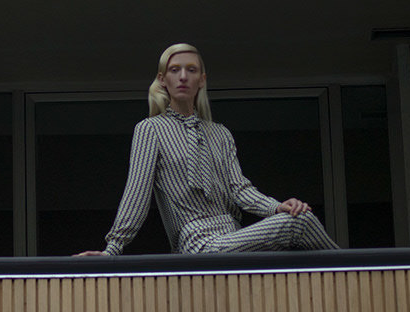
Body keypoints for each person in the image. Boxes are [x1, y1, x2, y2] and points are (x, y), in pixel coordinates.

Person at [79, 43, 340, 256]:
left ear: (202, 80)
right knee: (298, 225)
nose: (183, 76)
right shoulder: (150, 129)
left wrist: (278, 207)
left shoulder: (220, 133)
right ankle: (356, 270)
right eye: (175, 70)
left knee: (300, 218)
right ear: (162, 79)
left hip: (234, 236)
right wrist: (113, 249)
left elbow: (241, 190)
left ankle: (356, 272)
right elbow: (136, 194)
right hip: (196, 242)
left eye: (191, 70)